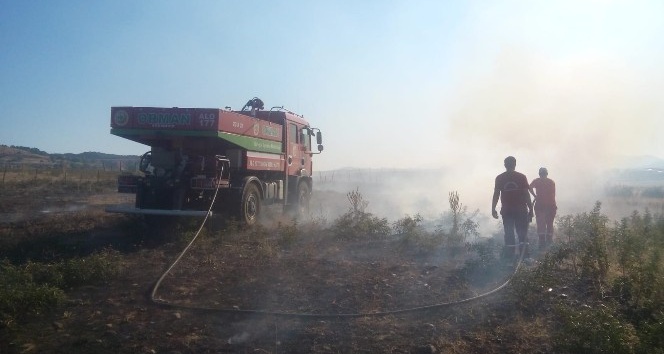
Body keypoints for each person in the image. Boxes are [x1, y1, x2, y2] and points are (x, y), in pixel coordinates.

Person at [492, 156, 533, 259]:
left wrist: (493, 209)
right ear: (515, 164)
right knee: (522, 233)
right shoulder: (521, 177)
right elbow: (526, 194)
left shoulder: (500, 178)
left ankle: (510, 258)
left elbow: (496, 194)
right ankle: (525, 258)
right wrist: (531, 209)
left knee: (509, 233)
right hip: (521, 210)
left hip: (507, 211)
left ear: (505, 165)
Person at [529, 167, 557, 251]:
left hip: (545, 206)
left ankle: (546, 242)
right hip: (547, 206)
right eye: (542, 174)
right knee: (544, 224)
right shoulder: (550, 182)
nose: (543, 176)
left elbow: (530, 187)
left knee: (546, 223)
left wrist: (535, 196)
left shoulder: (538, 181)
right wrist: (535, 196)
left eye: (543, 174)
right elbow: (529, 187)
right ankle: (545, 242)